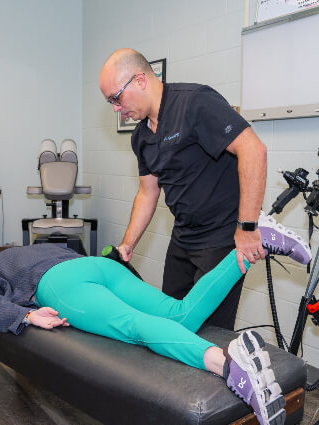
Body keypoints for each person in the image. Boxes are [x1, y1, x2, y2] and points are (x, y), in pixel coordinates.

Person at [0, 213, 311, 425]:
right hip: (99, 266)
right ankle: (252, 246)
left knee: (133, 326)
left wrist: (27, 314)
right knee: (179, 314)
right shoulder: (39, 248)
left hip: (60, 284)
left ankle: (227, 365)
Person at [99, 48, 268, 331]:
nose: (116, 108)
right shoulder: (141, 136)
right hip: (183, 239)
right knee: (171, 324)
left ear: (140, 80)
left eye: (116, 98)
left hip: (222, 239)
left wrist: (248, 227)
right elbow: (147, 192)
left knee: (209, 336)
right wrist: (127, 245)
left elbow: (254, 150)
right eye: (110, 102)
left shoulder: (195, 102)